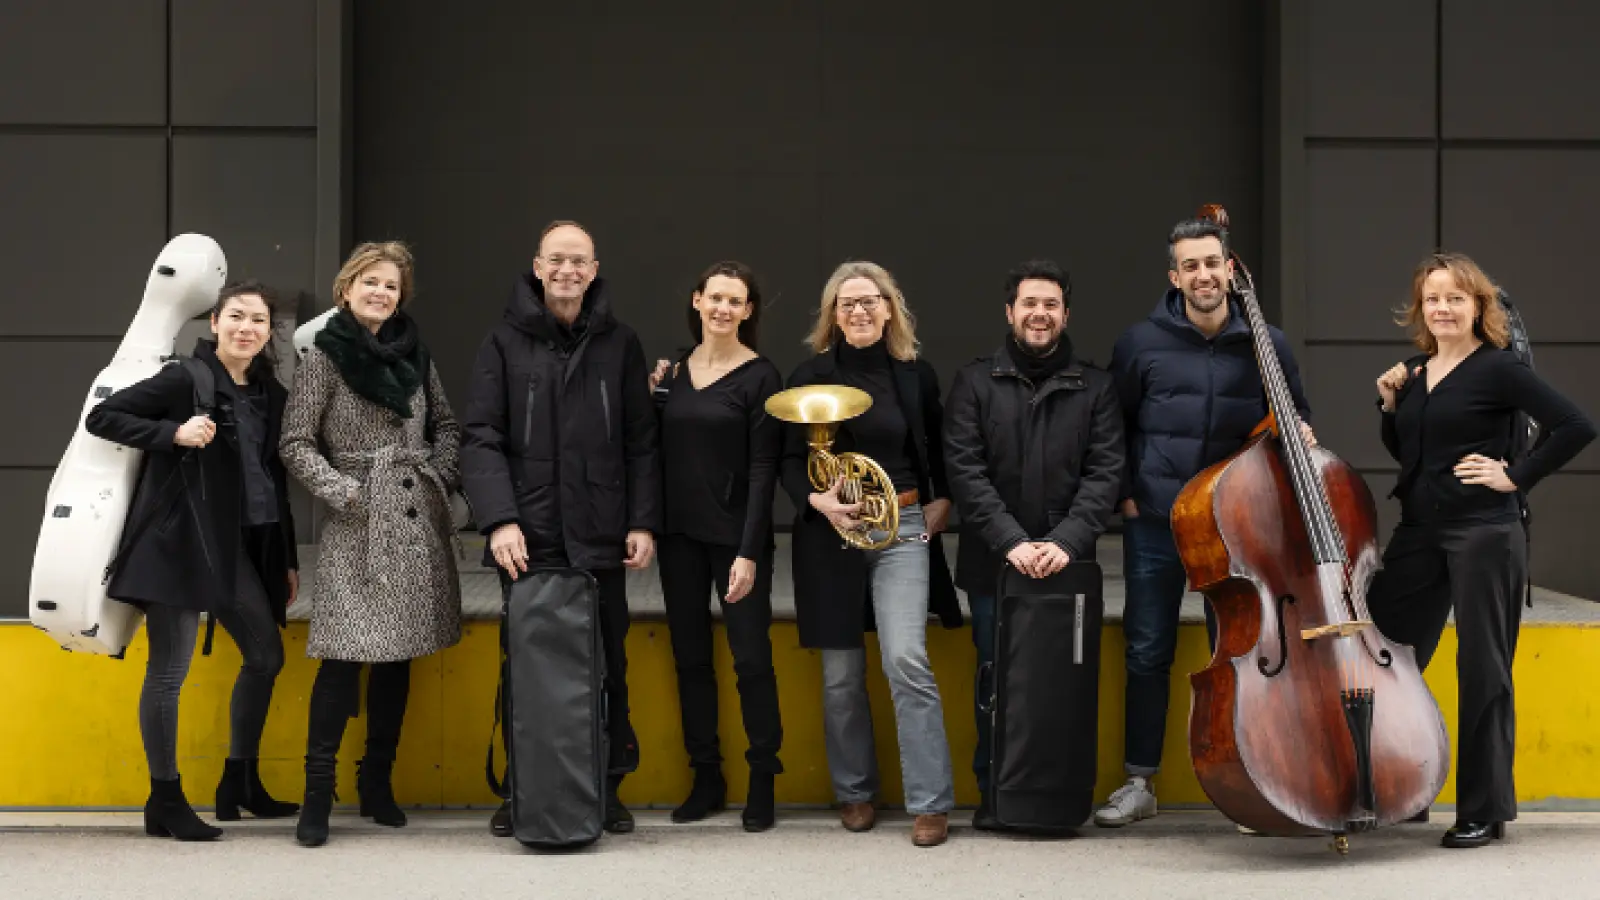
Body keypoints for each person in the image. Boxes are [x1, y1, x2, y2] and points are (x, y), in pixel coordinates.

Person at [1368, 252, 1595, 849]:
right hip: (1419, 530)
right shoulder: (1414, 372)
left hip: (1484, 532)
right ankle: (1402, 788)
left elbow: (1576, 426)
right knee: (1386, 655)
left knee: (1482, 669)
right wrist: (1390, 406)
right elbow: (1411, 455)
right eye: (1432, 299)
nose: (1442, 308)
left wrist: (1516, 476)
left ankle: (1483, 809)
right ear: (1420, 308)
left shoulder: (1499, 368)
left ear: (1478, 306)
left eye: (1455, 298)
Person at [1101, 215, 1315, 828]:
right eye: (1190, 265)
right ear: (1174, 276)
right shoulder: (1140, 343)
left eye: (1212, 263)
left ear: (1230, 268)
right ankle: (1139, 781)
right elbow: (1112, 426)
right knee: (1148, 648)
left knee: (1243, 652)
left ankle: (1251, 784)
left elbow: (1295, 416)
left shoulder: (1268, 343)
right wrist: (1126, 496)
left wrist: (1300, 432)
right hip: (1159, 520)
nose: (1203, 275)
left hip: (1238, 525)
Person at [461, 220, 660, 838]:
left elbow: (641, 441)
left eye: (579, 261)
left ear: (594, 271)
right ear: (538, 267)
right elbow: (481, 437)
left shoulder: (620, 343)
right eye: (557, 260)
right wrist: (499, 520)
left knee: (609, 662)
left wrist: (641, 521)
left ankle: (607, 787)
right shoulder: (502, 343)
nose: (568, 271)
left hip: (601, 533)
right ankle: (524, 790)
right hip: (529, 536)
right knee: (526, 666)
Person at [85, 281, 301, 841]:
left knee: (265, 656)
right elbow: (103, 417)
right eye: (237, 316)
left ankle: (240, 782)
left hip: (237, 550)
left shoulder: (271, 394)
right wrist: (171, 433)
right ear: (215, 323)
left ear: (268, 332)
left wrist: (285, 558)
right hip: (180, 544)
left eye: (258, 320)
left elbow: (273, 482)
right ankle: (165, 798)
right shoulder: (185, 379)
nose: (247, 328)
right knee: (169, 672)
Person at [279, 241, 463, 848]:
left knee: (397, 658)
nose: (381, 293)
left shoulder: (416, 353)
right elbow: (296, 441)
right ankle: (317, 794)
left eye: (391, 286)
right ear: (346, 289)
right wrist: (346, 493)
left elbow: (447, 425)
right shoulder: (324, 357)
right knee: (341, 659)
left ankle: (376, 783)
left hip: (412, 520)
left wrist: (440, 475)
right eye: (371, 282)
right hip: (358, 523)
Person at [781, 260, 960, 848]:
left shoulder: (914, 375)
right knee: (840, 676)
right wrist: (817, 500)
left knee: (906, 658)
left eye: (869, 300)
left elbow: (939, 444)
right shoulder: (808, 375)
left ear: (889, 309)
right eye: (847, 303)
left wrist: (942, 499)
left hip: (901, 525)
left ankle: (930, 802)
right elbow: (788, 460)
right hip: (832, 532)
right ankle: (854, 791)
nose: (859, 310)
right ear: (833, 316)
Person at [942, 260, 1124, 828]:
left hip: (1069, 565)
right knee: (996, 681)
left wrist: (1066, 541)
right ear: (1010, 312)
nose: (1039, 314)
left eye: (1050, 305)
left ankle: (1059, 798)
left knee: (1064, 684)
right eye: (1029, 304)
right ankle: (995, 795)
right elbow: (965, 472)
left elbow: (1105, 474)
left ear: (1066, 314)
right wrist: (1012, 542)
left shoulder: (1097, 387)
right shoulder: (974, 383)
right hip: (995, 565)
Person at [648, 262, 784, 831]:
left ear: (748, 311)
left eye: (736, 301)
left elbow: (764, 470)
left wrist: (749, 552)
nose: (724, 308)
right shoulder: (673, 372)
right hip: (679, 537)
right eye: (716, 298)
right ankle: (706, 778)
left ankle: (763, 779)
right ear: (697, 301)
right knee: (691, 659)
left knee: (751, 659)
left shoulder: (761, 376)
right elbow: (653, 447)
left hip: (736, 542)